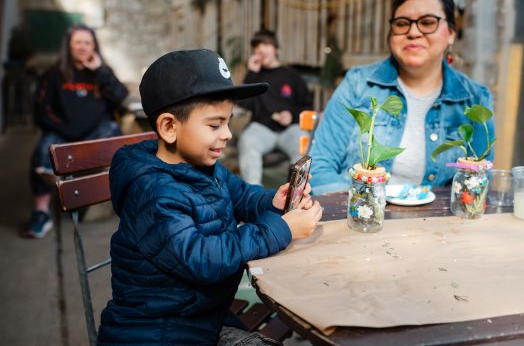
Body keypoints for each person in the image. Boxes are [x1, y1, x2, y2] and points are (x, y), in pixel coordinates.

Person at [97, 49, 322, 345]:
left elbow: (241, 195)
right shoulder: (154, 193)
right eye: (215, 125)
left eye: (228, 121)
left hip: (201, 317)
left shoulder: (203, 165)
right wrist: (283, 229)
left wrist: (272, 201)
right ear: (168, 127)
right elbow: (204, 259)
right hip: (158, 332)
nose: (227, 134)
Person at [309, 0, 495, 195]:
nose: (413, 32)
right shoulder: (357, 84)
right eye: (402, 23)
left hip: (439, 224)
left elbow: (476, 183)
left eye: (427, 22)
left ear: (451, 33)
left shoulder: (475, 99)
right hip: (359, 219)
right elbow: (320, 167)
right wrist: (365, 210)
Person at [25, 24, 128, 238]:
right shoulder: (54, 74)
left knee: (113, 128)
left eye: (87, 42)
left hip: (95, 137)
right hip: (62, 136)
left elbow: (120, 97)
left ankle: (114, 199)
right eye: (78, 42)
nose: (83, 47)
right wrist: (67, 130)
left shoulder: (102, 73)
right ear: (69, 46)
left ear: (94, 47)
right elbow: (41, 111)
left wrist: (100, 71)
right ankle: (41, 213)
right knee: (42, 151)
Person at [236, 29, 313, 185]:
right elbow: (242, 102)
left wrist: (292, 115)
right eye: (256, 46)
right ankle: (253, 193)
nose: (260, 50)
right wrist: (251, 72)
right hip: (262, 127)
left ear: (276, 49)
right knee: (247, 140)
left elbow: (308, 107)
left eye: (265, 44)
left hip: (290, 129)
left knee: (302, 142)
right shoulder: (255, 76)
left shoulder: (292, 76)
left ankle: (295, 192)